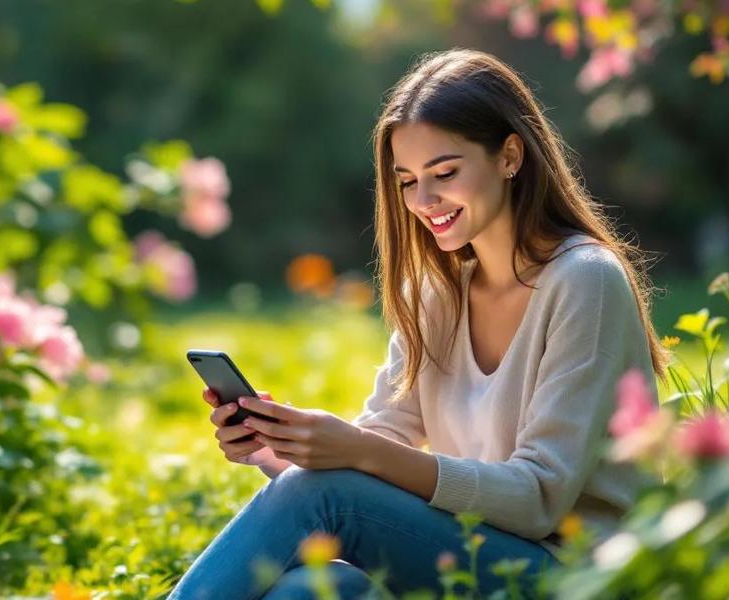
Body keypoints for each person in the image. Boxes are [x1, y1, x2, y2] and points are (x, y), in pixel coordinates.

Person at [165, 47, 669, 600]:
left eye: (445, 173)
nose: (423, 201)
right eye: (406, 181)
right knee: (306, 591)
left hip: (576, 576)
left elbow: (536, 498)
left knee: (321, 497)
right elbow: (381, 438)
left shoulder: (585, 280)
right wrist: (279, 447)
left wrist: (354, 453)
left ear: (509, 156)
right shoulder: (436, 293)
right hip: (472, 550)